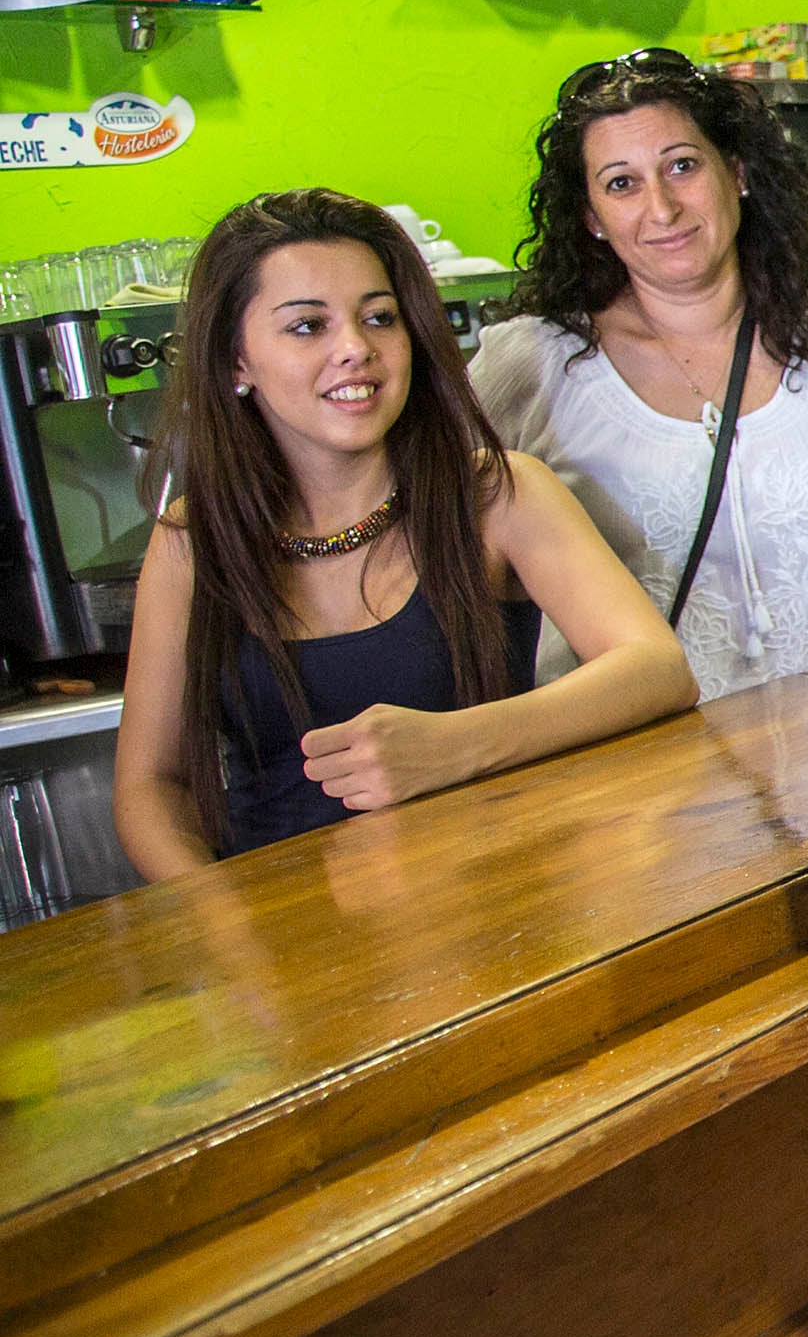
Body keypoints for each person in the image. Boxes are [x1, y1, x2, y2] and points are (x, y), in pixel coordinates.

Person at [110, 190, 695, 876]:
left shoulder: (498, 493)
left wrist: (458, 745)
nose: (355, 349)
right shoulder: (192, 539)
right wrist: (229, 934)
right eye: (307, 327)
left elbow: (656, 670)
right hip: (288, 933)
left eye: (379, 318)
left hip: (503, 905)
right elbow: (151, 786)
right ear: (236, 360)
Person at [473, 50, 808, 702]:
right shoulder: (532, 363)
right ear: (590, 218)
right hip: (643, 776)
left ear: (737, 173)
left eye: (682, 166)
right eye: (621, 184)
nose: (661, 207)